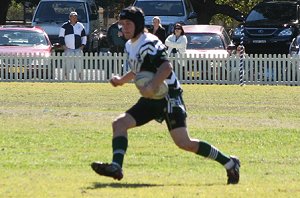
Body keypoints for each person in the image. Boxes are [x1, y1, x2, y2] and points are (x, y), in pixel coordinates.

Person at [91, 6, 240, 185]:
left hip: (168, 96)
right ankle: (116, 166)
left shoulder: (150, 42)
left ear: (138, 25)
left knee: (185, 143)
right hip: (151, 97)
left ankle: (230, 163)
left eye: (128, 23)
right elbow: (138, 68)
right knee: (119, 123)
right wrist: (122, 80)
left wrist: (152, 86)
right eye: (122, 24)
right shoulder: (130, 45)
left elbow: (166, 67)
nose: (124, 28)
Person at [59, 11, 87, 80]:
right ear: (69, 17)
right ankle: (66, 78)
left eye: (75, 17)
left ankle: (81, 78)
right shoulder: (64, 26)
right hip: (68, 48)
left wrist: (83, 45)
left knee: (79, 64)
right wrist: (64, 46)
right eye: (72, 17)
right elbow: (61, 37)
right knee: (68, 64)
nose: (74, 18)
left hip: (78, 48)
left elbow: (84, 37)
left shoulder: (80, 25)